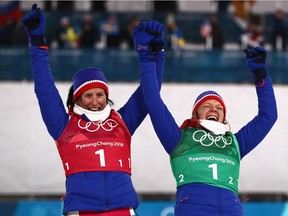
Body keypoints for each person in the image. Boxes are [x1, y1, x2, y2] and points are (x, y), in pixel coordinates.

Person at [21, 4, 165, 216]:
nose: (95, 101)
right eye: (88, 95)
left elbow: (150, 92)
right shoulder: (65, 126)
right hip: (82, 211)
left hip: (123, 209)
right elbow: (44, 88)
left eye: (100, 95)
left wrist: (154, 54)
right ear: (77, 98)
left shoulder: (121, 121)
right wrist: (37, 45)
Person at [134, 21, 277, 215]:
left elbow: (268, 117)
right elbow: (152, 100)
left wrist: (261, 78)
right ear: (195, 114)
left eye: (219, 108)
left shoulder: (235, 142)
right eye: (207, 106)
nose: (214, 109)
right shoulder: (178, 138)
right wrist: (148, 57)